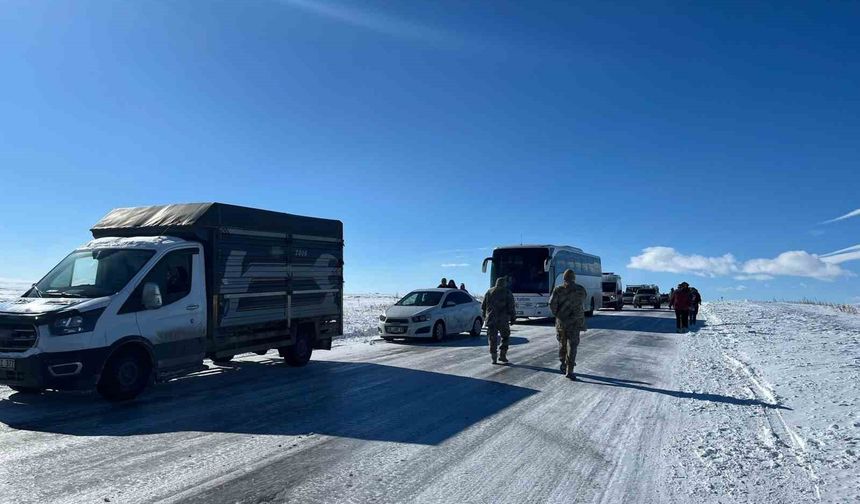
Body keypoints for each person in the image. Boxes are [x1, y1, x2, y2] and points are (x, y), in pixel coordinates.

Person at [549, 269, 587, 380]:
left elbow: (552, 304)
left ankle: (563, 363)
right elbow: (583, 300)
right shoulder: (581, 289)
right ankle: (570, 370)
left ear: (564, 278)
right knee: (573, 345)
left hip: (562, 321)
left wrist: (557, 314)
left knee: (562, 343)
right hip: (575, 322)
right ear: (574, 278)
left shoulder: (558, 290)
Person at [481, 277, 516, 365]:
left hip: (491, 319)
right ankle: (502, 355)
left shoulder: (489, 292)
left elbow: (483, 306)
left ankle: (493, 356)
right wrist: (513, 318)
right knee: (505, 337)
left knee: (492, 338)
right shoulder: (507, 292)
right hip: (503, 319)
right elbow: (511, 306)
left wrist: (485, 316)